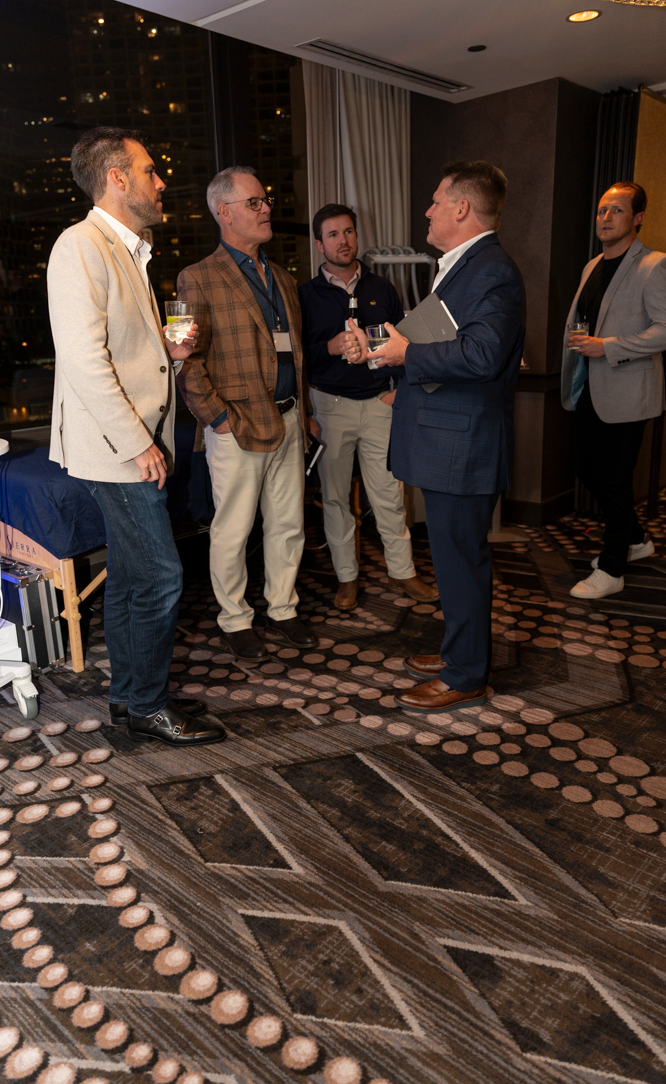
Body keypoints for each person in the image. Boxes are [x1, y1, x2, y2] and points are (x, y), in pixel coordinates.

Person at [48, 127, 225, 750]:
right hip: (115, 448)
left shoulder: (131, 249)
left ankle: (128, 697)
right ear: (117, 179)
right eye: (150, 170)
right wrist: (137, 443)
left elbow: (124, 353)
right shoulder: (80, 245)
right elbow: (83, 361)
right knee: (161, 577)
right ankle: (148, 705)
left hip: (130, 441)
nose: (161, 181)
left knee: (128, 577)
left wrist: (171, 354)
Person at [346, 161, 525, 714]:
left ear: (462, 208)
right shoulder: (466, 266)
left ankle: (466, 674)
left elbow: (482, 355)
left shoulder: (490, 269)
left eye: (435, 200)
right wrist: (387, 352)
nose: (427, 211)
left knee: (460, 561)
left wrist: (408, 352)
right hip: (449, 440)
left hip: (462, 446)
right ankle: (458, 654)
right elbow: (448, 343)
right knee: (450, 559)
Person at [176, 166, 318, 663]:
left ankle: (283, 608)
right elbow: (185, 360)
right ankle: (235, 618)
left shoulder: (283, 278)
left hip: (289, 418)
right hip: (236, 425)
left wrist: (305, 411)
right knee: (233, 530)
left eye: (265, 200)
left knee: (289, 524)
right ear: (225, 212)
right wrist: (216, 418)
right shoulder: (196, 277)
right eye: (254, 202)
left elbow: (295, 354)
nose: (266, 209)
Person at [298, 204, 438, 610]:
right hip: (330, 407)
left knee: (390, 495)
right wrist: (329, 347)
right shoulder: (305, 296)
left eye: (348, 232)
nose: (343, 241)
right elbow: (298, 358)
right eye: (333, 234)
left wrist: (397, 390)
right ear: (319, 244)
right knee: (336, 499)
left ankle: (402, 572)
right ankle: (347, 578)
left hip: (379, 404)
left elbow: (404, 345)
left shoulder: (383, 288)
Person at [562, 181, 666, 599]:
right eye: (602, 210)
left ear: (638, 218)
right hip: (589, 386)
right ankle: (634, 538)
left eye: (616, 210)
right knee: (587, 471)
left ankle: (613, 568)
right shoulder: (592, 266)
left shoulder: (656, 265)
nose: (606, 217)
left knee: (614, 480)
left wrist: (609, 347)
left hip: (629, 392)